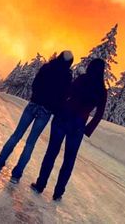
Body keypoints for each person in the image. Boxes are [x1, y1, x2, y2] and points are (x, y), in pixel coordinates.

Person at [31, 58, 107, 200]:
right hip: (78, 125)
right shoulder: (102, 91)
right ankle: (58, 193)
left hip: (63, 117)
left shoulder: (82, 79)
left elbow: (67, 94)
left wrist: (58, 108)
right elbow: (99, 114)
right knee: (69, 160)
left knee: (51, 153)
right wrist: (88, 129)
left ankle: (40, 185)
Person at [0, 51, 73, 183]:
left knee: (16, 135)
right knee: (30, 143)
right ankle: (16, 175)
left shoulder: (47, 67)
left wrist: (36, 97)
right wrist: (54, 107)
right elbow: (64, 97)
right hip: (46, 111)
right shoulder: (67, 77)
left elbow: (35, 84)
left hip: (33, 105)